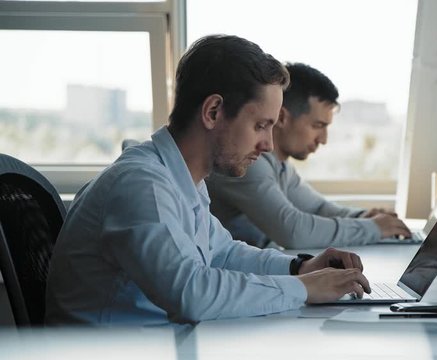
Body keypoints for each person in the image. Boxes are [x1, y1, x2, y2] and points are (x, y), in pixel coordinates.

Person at [45, 35, 371, 326]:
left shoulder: (183, 178)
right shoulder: (142, 185)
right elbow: (190, 293)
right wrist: (303, 289)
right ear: (213, 112)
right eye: (260, 125)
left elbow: (223, 254)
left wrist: (300, 268)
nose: (269, 145)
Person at [207, 63, 411, 249]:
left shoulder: (280, 166)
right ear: (283, 117)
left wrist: (364, 217)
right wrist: (373, 228)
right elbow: (293, 231)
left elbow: (318, 208)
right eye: (317, 126)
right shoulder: (247, 162)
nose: (323, 139)